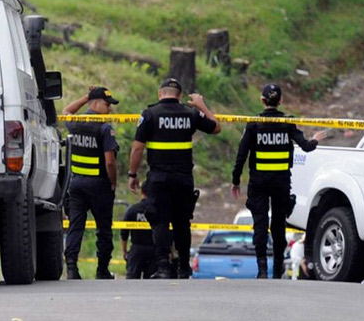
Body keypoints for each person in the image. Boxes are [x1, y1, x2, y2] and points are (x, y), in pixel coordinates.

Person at [128, 77, 221, 279]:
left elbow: (137, 149)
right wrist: (201, 105)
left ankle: (162, 267)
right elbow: (216, 127)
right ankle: (184, 268)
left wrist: (132, 174)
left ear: (160, 93)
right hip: (183, 178)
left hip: (159, 179)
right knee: (182, 222)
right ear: (179, 96)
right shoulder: (191, 113)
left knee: (160, 222)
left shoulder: (150, 114)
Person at [231, 83, 325, 279]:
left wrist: (236, 180)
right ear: (280, 101)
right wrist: (315, 139)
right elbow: (306, 147)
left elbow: (242, 154)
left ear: (262, 100)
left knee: (260, 224)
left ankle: (262, 269)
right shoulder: (287, 123)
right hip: (281, 182)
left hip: (258, 183)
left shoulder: (253, 123)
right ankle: (277, 269)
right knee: (279, 225)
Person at [63, 86, 120, 280]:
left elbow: (66, 112)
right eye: (106, 105)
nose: (109, 110)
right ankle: (102, 269)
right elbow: (110, 161)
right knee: (103, 229)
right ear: (95, 104)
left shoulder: (76, 122)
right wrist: (113, 182)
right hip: (99, 186)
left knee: (75, 226)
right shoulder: (104, 128)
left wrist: (85, 97)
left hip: (76, 185)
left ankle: (71, 268)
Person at [120, 181, 156, 279]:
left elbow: (124, 232)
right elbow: (166, 231)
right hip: (154, 249)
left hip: (137, 249)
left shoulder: (133, 210)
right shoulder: (157, 210)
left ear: (142, 192)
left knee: (132, 280)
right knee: (152, 282)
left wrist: (124, 251)